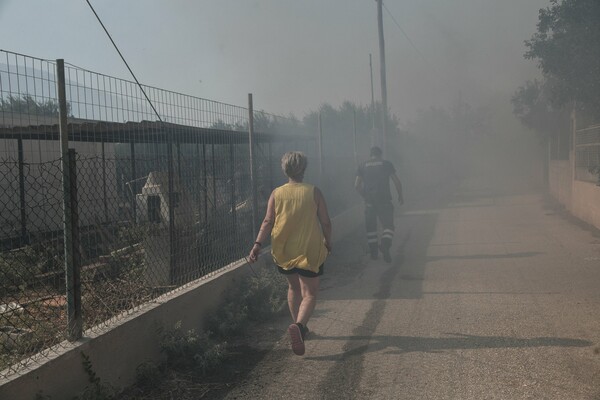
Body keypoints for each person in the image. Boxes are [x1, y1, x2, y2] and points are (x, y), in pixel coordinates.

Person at [248, 151, 332, 356]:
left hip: (284, 249)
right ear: (304, 169)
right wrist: (328, 242)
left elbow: (268, 221)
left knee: (293, 287)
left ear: (284, 169)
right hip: (309, 249)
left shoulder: (277, 193)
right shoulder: (314, 192)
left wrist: (257, 244)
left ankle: (297, 325)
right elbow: (326, 221)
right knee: (310, 293)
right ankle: (300, 327)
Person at [354, 146, 403, 263]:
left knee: (371, 228)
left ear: (371, 155)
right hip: (384, 201)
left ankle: (374, 253)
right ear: (380, 155)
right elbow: (396, 181)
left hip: (369, 202)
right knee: (388, 226)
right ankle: (385, 245)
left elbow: (356, 185)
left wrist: (364, 196)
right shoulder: (386, 164)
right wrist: (400, 195)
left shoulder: (362, 165)